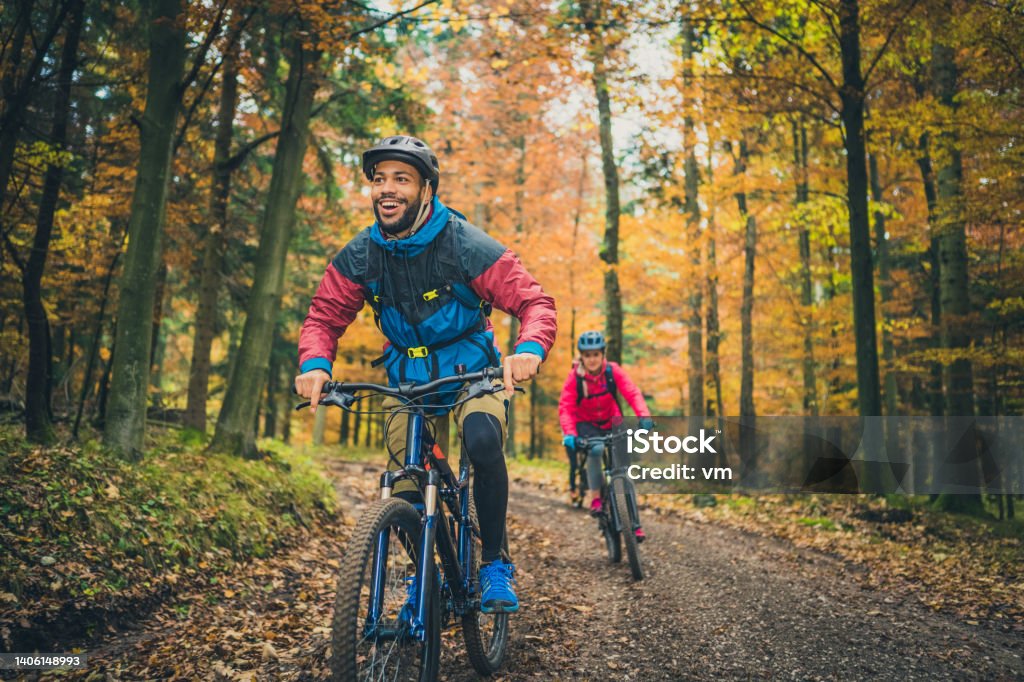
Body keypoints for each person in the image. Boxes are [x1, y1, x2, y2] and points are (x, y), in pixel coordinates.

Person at [294, 135, 556, 614]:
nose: (387, 189)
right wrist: (315, 365)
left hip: (472, 371)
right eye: (379, 180)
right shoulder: (361, 255)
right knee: (405, 484)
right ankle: (427, 574)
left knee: (480, 440)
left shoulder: (463, 243)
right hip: (407, 379)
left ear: (427, 190)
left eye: (401, 179)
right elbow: (324, 317)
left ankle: (494, 563)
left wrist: (528, 349)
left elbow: (533, 302)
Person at [558, 330, 653, 541]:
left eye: (596, 354)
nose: (592, 359)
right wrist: (571, 434)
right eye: (587, 355)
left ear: (603, 355)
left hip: (612, 421)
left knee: (623, 469)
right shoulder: (575, 377)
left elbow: (632, 392)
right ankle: (596, 499)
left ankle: (634, 524)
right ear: (581, 356)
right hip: (586, 425)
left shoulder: (613, 371)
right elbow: (566, 407)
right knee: (597, 449)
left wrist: (644, 416)